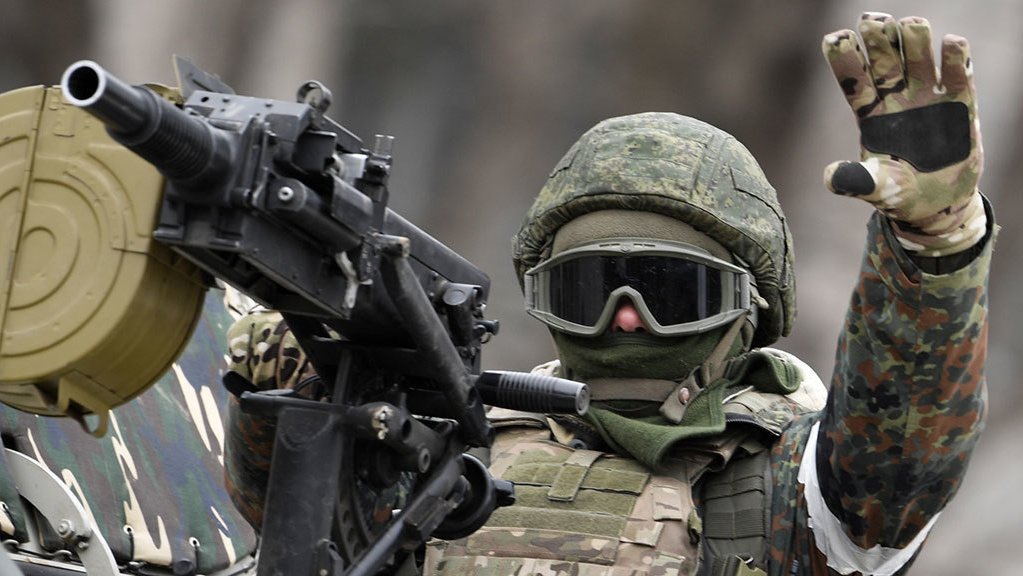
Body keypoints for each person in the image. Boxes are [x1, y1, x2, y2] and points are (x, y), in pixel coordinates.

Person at [225, 12, 993, 576]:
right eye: (587, 288)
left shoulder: (799, 490)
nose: (625, 317)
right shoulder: (450, 450)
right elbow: (299, 533)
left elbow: (905, 443)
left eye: (669, 291)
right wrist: (297, 390)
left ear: (748, 309)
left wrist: (933, 248)